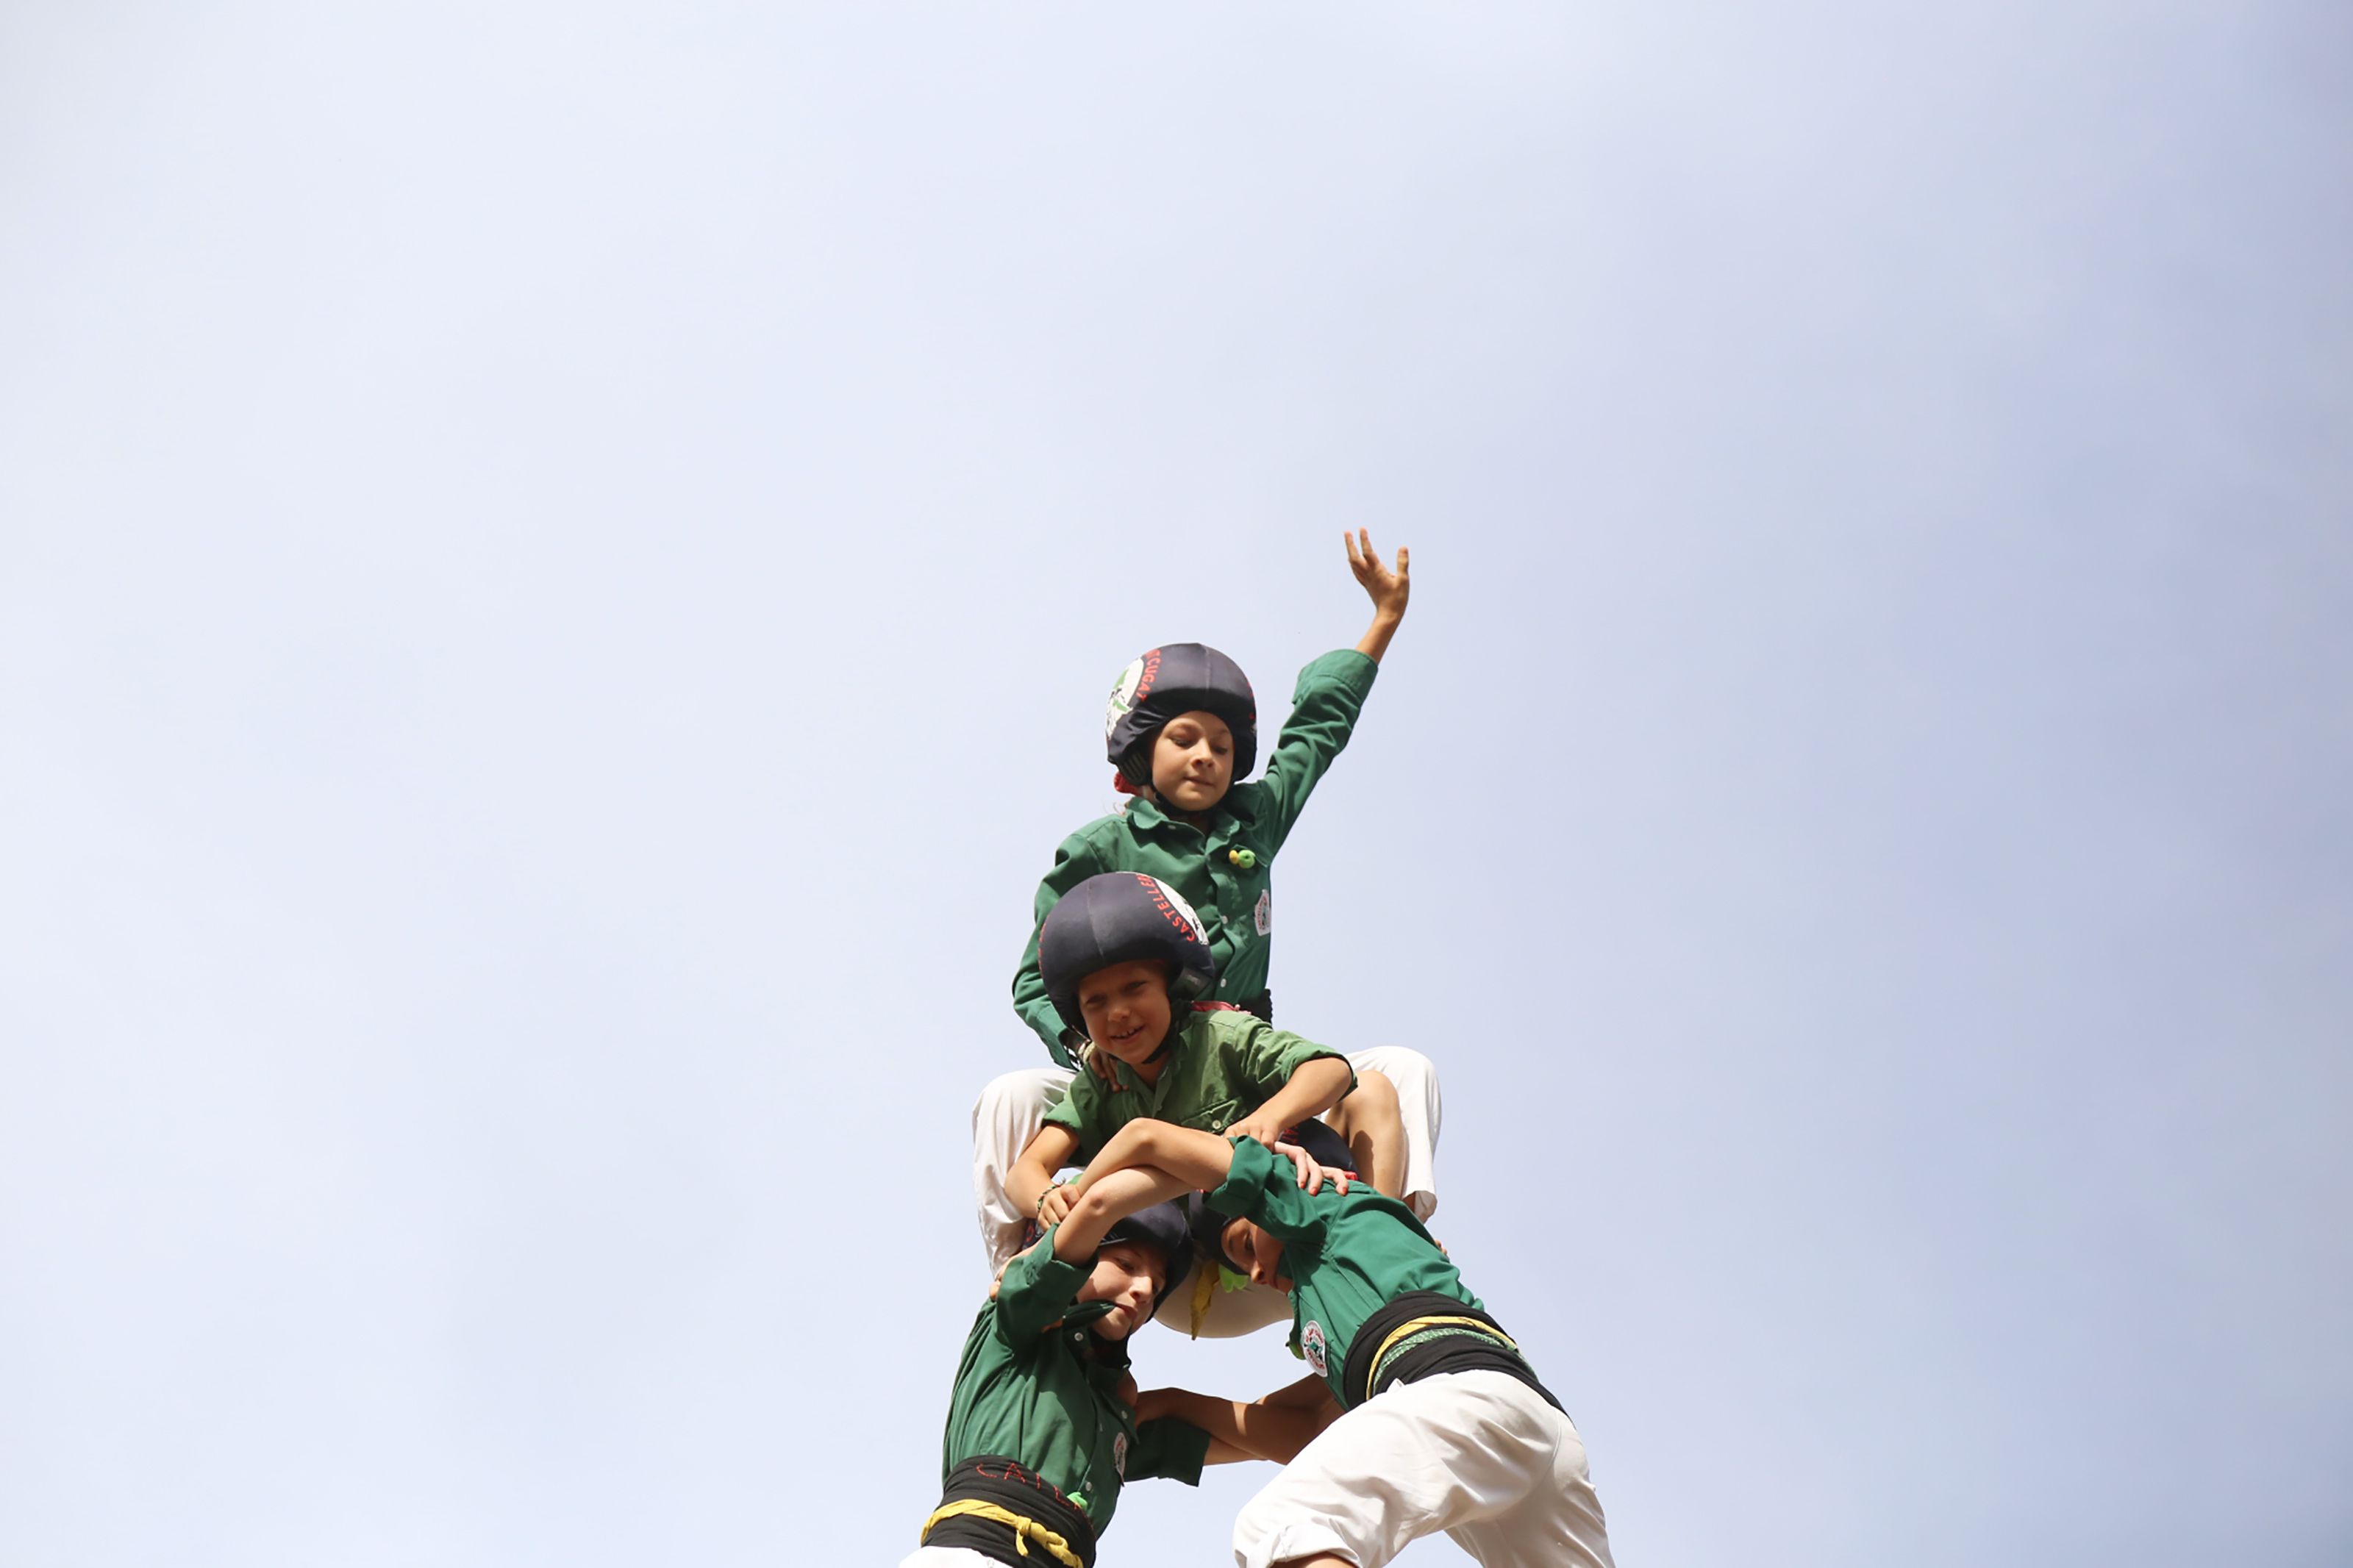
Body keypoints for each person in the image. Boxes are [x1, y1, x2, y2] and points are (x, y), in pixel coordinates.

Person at [974, 531, 1442, 1286]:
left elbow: (1315, 736)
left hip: (1239, 1070)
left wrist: (1382, 621)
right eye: (1183, 739)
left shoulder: (1251, 824)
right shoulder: (1101, 846)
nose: (1205, 757)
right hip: (1132, 1077)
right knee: (1009, 1098)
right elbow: (1036, 977)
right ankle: (1017, 1278)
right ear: (1139, 752)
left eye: (1222, 746)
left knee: (1401, 1071)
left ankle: (1387, 1258)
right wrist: (1088, 1048)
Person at [1051, 1119, 1618, 1568]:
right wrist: (1173, 1401)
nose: (1251, 1274)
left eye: (1245, 1242)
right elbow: (1305, 1429)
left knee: (1282, 1525)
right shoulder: (1332, 1299)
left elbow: (1145, 1137)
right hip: (1528, 1424)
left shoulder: (1321, 1199)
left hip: (1457, 1391)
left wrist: (1069, 1207)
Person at [997, 870, 1380, 1337]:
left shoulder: (1218, 1035)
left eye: (1135, 988)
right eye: (1096, 1002)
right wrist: (1045, 1200)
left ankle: (1389, 1231)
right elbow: (1025, 1169)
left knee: (1384, 1079)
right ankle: (1029, 1286)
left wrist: (1268, 1117)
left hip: (1285, 1232)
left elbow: (1331, 1070)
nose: (1117, 1011)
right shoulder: (1102, 1083)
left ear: (1171, 987)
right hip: (1185, 1276)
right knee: (1007, 1096)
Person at [907, 1186, 1328, 1568]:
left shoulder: (1115, 1423)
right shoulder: (1018, 1328)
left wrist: (1171, 1401)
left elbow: (1296, 1436)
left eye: (1158, 1285)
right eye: (1126, 1263)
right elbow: (1081, 1226)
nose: (1145, 1289)